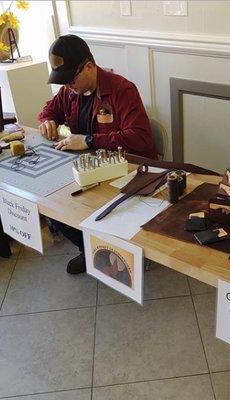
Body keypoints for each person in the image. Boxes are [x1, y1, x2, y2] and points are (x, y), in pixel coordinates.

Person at [38, 34, 157, 274]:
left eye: (71, 79)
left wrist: (90, 140)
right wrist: (47, 120)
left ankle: (118, 250)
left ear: (89, 67)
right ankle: (90, 249)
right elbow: (49, 110)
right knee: (50, 204)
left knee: (93, 206)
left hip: (125, 170)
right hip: (89, 169)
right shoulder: (69, 92)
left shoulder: (122, 89)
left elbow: (140, 138)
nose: (67, 86)